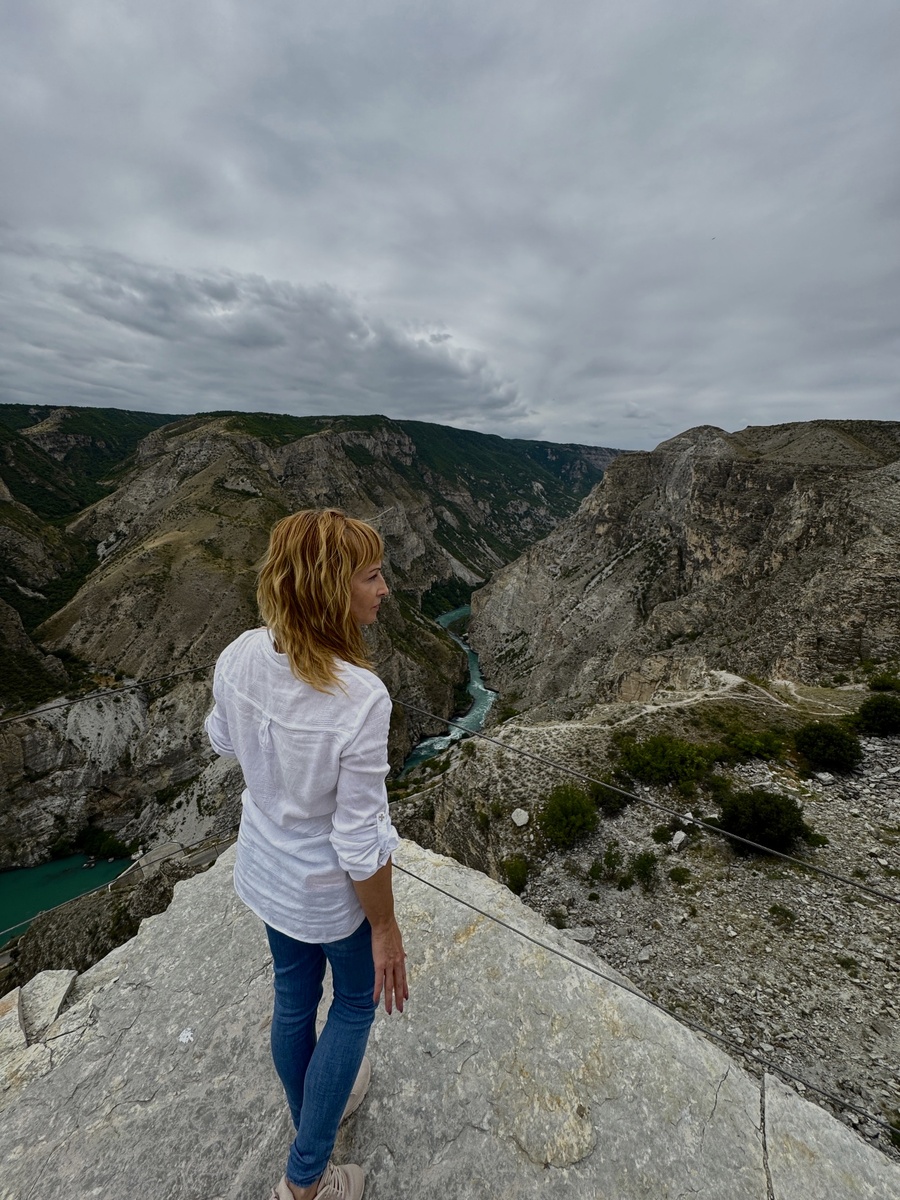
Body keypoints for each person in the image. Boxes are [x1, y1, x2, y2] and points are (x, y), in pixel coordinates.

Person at [205, 508, 408, 1200]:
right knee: (353, 1002)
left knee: (294, 996)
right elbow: (357, 839)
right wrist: (384, 926)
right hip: (328, 892)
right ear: (329, 588)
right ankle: (306, 1180)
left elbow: (222, 742)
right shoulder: (361, 697)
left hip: (265, 871)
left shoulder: (237, 654)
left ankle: (314, 1113)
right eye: (372, 576)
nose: (385, 589)